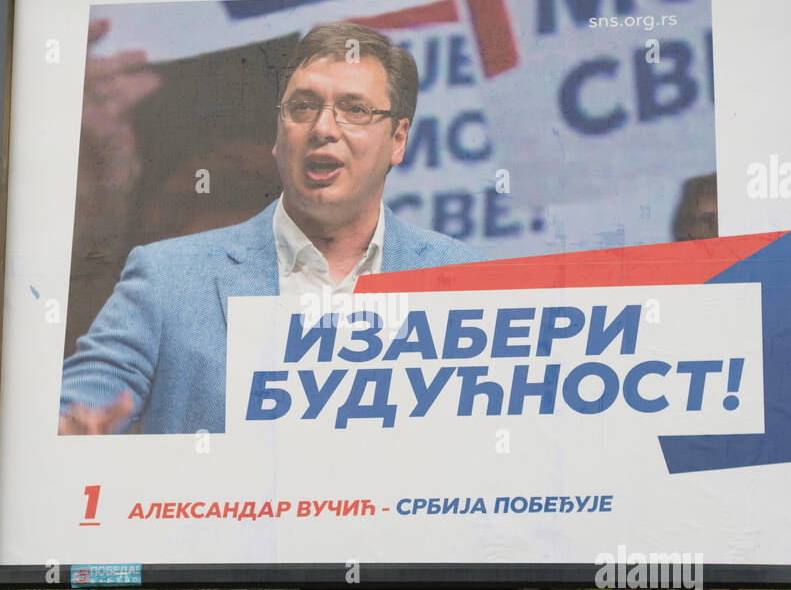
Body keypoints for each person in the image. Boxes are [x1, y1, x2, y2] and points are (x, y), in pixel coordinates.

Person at [58, 22, 480, 435]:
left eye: (354, 109)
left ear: (398, 140)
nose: (323, 128)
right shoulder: (168, 278)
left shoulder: (463, 278)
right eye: (303, 107)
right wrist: (73, 426)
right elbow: (79, 403)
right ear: (279, 133)